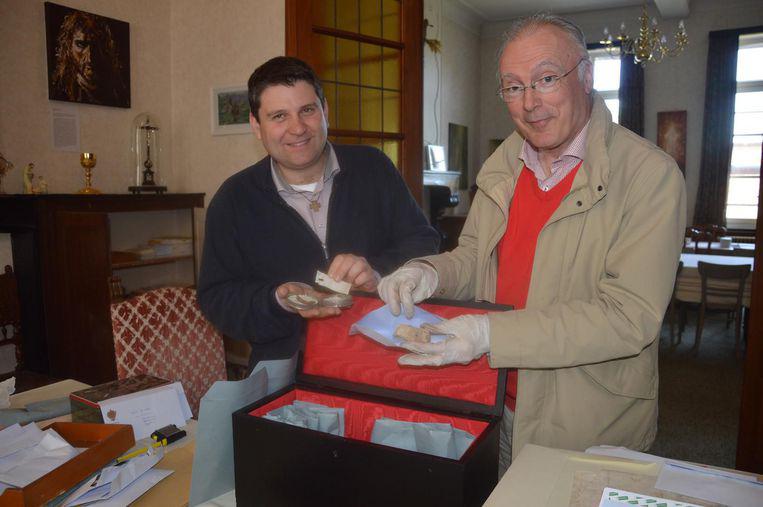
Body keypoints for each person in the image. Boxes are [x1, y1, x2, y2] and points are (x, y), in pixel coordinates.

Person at [378, 13, 686, 472]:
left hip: (587, 427)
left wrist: (488, 333)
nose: (529, 103)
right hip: (494, 403)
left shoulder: (650, 175)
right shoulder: (504, 162)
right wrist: (429, 271)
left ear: (586, 76)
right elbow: (475, 255)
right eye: (513, 86)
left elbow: (627, 318)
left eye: (545, 79)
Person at [198, 56, 439, 393]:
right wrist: (275, 299)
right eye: (279, 116)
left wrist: (379, 272)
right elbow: (217, 298)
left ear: (325, 110)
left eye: (307, 110)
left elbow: (425, 243)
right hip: (287, 375)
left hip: (384, 364)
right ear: (257, 126)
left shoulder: (374, 168)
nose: (297, 128)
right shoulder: (232, 200)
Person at [50, 10, 128, 106]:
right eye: (81, 44)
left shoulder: (116, 89)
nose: (90, 57)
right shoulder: (60, 88)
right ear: (68, 46)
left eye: (96, 46)